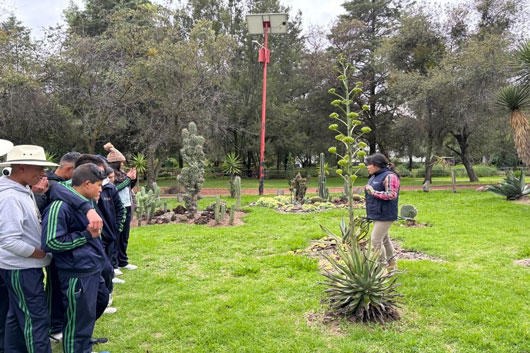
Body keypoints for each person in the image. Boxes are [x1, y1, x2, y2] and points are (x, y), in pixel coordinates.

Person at [41, 163, 107, 353]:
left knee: (96, 306)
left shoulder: (84, 202)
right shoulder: (59, 207)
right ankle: (77, 346)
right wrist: (85, 235)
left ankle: (83, 343)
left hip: (92, 269)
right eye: (99, 185)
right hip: (76, 274)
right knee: (77, 324)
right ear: (87, 184)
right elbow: (51, 242)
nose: (101, 189)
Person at [0, 145, 58, 353]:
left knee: (16, 317)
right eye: (39, 168)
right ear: (21, 167)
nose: (44, 174)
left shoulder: (23, 190)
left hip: (22, 268)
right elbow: (9, 241)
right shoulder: (10, 198)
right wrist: (41, 254)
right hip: (21, 269)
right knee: (36, 321)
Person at [104, 143, 137, 271]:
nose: (123, 164)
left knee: (124, 236)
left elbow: (127, 187)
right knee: (116, 236)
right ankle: (114, 264)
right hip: (117, 208)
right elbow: (115, 188)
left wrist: (132, 179)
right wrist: (128, 179)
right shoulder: (110, 175)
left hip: (127, 206)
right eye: (121, 162)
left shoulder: (121, 173)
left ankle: (123, 261)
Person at [364, 153, 400, 271]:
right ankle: (392, 264)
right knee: (385, 239)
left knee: (375, 240)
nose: (367, 167)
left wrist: (372, 192)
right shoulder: (374, 176)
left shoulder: (390, 176)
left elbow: (391, 194)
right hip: (377, 213)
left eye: (369, 165)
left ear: (376, 165)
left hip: (386, 214)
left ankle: (380, 268)